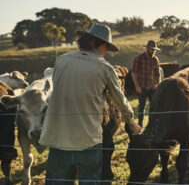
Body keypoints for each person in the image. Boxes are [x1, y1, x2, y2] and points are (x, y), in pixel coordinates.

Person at [39, 24, 142, 184]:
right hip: (88, 141)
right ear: (101, 45)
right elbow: (119, 99)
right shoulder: (105, 68)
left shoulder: (61, 61)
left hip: (57, 139)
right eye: (107, 48)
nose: (106, 52)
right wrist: (131, 121)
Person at [131, 40, 161, 126]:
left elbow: (157, 74)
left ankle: (152, 124)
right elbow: (134, 73)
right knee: (141, 106)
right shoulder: (139, 58)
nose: (153, 51)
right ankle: (140, 124)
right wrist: (137, 86)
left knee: (153, 107)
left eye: (154, 50)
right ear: (147, 48)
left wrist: (158, 86)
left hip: (152, 87)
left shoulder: (155, 60)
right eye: (152, 49)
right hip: (142, 87)